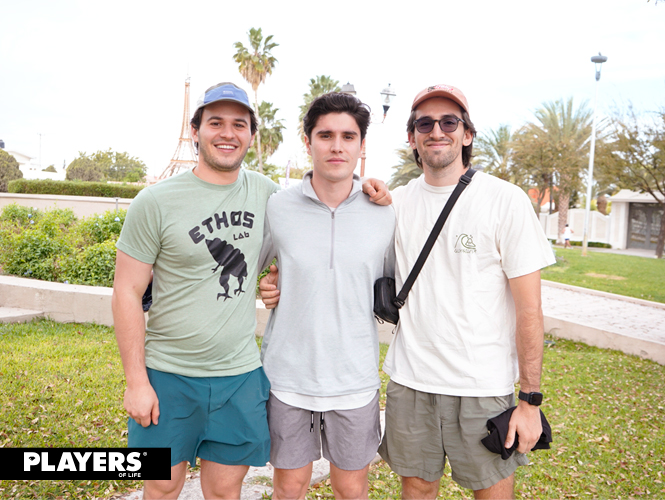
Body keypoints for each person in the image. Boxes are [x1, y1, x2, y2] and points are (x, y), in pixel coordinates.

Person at [111, 82, 390, 499]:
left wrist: (369, 185)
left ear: (251, 135)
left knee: (227, 489)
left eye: (238, 124)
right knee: (162, 484)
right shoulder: (155, 201)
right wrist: (136, 381)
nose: (227, 133)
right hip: (168, 373)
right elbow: (126, 292)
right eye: (216, 123)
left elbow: (326, 203)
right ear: (195, 130)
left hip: (238, 376)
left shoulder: (269, 196)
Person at [377, 85, 556, 499]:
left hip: (483, 388)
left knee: (493, 492)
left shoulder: (505, 201)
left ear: (467, 134)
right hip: (411, 381)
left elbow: (530, 310)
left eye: (449, 122)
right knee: (417, 488)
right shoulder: (395, 204)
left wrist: (529, 401)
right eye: (425, 123)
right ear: (412, 138)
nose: (436, 130)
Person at [257, 92, 395, 500]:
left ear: (361, 145)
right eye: (326, 135)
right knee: (290, 486)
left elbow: (391, 282)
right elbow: (254, 269)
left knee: (351, 488)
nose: (337, 146)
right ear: (308, 141)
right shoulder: (277, 207)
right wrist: (270, 284)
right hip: (287, 376)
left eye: (348, 137)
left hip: (355, 378)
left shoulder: (385, 211)